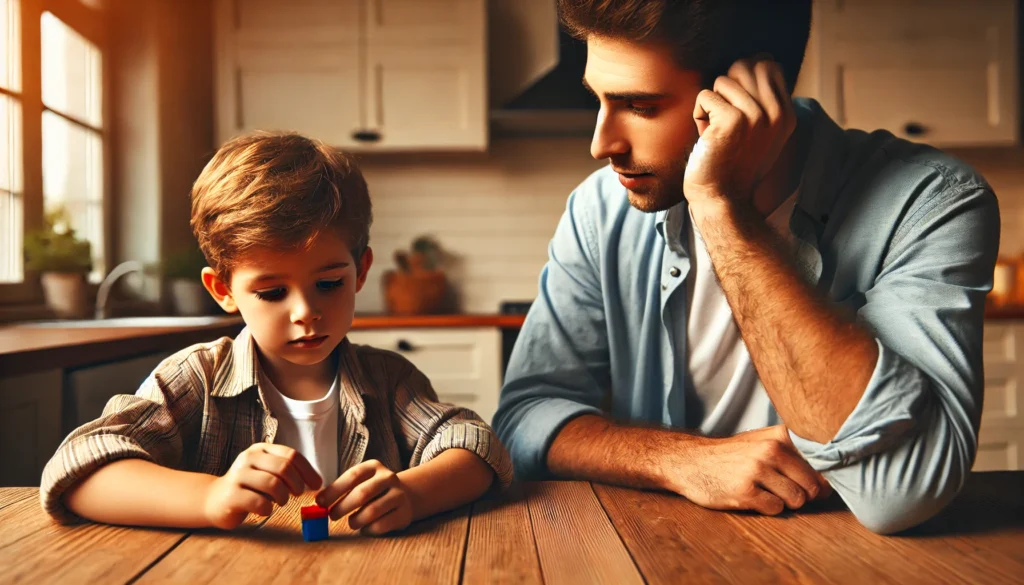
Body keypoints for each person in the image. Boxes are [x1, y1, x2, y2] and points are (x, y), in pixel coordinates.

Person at [495, 0, 999, 534]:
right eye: (596, 99)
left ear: (748, 93)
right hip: (655, 548)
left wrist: (720, 207)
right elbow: (524, 418)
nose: (602, 144)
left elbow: (900, 492)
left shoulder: (932, 203)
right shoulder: (599, 210)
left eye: (640, 106)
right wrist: (684, 462)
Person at [40, 132, 513, 534]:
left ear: (361, 271)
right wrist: (210, 497)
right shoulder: (196, 379)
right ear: (223, 289)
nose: (306, 312)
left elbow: (478, 446)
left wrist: (413, 493)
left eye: (329, 284)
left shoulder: (389, 380)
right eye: (271, 292)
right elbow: (78, 468)